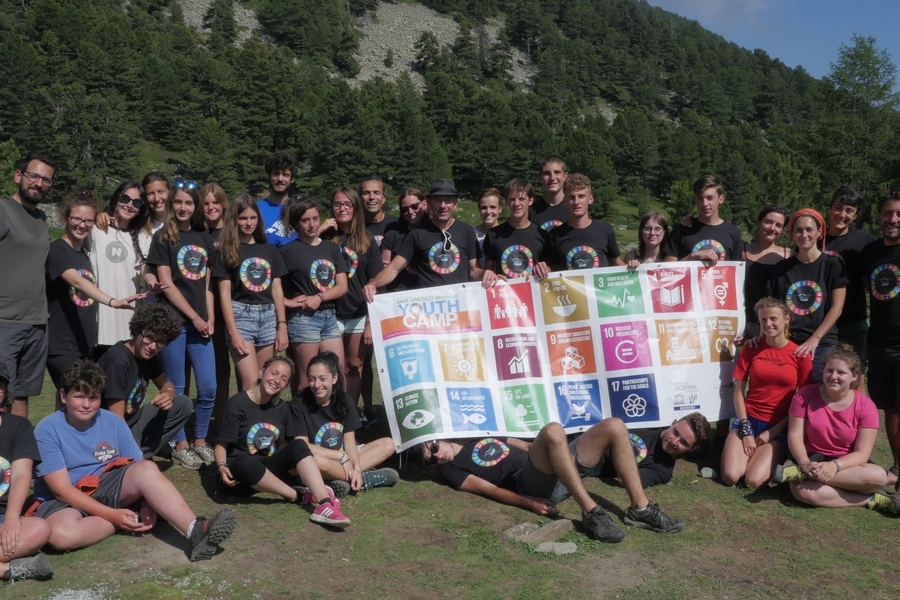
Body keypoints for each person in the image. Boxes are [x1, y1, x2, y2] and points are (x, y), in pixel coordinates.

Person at [31, 360, 237, 560]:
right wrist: (112, 516)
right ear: (63, 396)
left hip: (108, 485)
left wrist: (147, 501)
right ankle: (130, 517)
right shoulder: (47, 429)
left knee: (147, 469)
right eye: (79, 397)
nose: (86, 404)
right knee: (60, 536)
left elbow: (140, 465)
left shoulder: (112, 420)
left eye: (93, 398)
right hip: (66, 500)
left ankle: (196, 530)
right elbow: (61, 490)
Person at [420, 418, 685, 543]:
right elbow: (487, 489)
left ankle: (640, 509)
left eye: (432, 448)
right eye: (429, 460)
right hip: (529, 481)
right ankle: (591, 512)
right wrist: (529, 502)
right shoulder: (451, 469)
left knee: (615, 426)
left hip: (553, 467)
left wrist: (561, 455)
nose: (436, 456)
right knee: (552, 430)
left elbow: (524, 446)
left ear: (438, 436)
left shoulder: (476, 434)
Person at [214, 356, 350, 528]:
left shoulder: (282, 409)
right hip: (238, 476)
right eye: (274, 373)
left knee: (299, 445)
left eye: (284, 378)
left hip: (267, 468)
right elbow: (221, 445)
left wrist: (292, 463)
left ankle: (323, 503)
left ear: (286, 385)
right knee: (245, 462)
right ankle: (299, 495)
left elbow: (283, 447)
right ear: (262, 372)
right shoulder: (236, 404)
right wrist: (221, 466)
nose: (276, 380)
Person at [771, 345, 899, 514]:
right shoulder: (805, 395)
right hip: (811, 458)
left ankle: (802, 474)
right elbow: (794, 435)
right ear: (823, 370)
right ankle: (870, 499)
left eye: (841, 373)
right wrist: (804, 462)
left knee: (879, 477)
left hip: (847, 463)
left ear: (854, 376)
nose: (833, 376)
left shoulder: (866, 406)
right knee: (803, 492)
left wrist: (834, 466)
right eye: (829, 370)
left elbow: (862, 453)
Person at [147, 182, 217, 469]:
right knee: (176, 388)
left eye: (189, 202)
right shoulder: (163, 237)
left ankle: (200, 440)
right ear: (171, 204)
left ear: (196, 206)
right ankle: (180, 444)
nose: (183, 207)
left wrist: (209, 318)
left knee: (208, 386)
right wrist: (195, 318)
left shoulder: (204, 236)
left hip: (201, 324)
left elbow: (208, 284)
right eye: (178, 202)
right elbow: (166, 284)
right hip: (174, 323)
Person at [46, 192, 145, 396]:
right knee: (84, 392)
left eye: (88, 220)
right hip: (61, 344)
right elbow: (76, 281)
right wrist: (113, 302)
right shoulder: (57, 250)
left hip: (84, 345)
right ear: (66, 218)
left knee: (71, 402)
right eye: (77, 219)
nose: (82, 225)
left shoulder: (84, 253)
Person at [721, 298, 812, 488]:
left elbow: (802, 404)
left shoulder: (800, 354)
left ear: (786, 319)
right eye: (763, 320)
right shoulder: (751, 347)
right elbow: (738, 392)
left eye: (773, 319)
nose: (768, 324)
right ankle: (744, 455)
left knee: (752, 481)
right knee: (730, 476)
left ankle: (775, 457)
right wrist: (745, 429)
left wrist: (774, 431)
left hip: (777, 426)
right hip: (748, 420)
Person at [291, 352, 397, 497]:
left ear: (334, 378)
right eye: (312, 379)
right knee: (315, 460)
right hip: (320, 456)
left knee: (389, 444)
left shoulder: (345, 400)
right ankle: (365, 479)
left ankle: (349, 477)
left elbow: (349, 443)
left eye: (322, 379)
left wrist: (357, 468)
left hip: (344, 454)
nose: (317, 385)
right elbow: (302, 445)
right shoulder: (299, 403)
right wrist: (341, 457)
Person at [320, 187, 383, 425]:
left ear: (356, 208)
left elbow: (376, 284)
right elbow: (300, 251)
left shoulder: (366, 241)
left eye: (348, 204)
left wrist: (370, 323)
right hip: (330, 312)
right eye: (337, 204)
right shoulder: (324, 239)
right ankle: (331, 413)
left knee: (355, 366)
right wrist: (320, 230)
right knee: (334, 367)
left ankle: (349, 415)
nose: (342, 209)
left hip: (358, 312)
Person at [97, 304, 192, 459]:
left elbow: (166, 384)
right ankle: (130, 455)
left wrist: (168, 393)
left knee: (183, 404)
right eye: (149, 337)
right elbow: (116, 419)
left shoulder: (148, 355)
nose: (153, 346)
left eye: (161, 341)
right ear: (137, 330)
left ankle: (137, 453)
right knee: (133, 461)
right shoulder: (118, 361)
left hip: (134, 420)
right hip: (110, 428)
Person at [214, 195, 288, 392]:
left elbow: (277, 289)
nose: (248, 223)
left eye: (253, 218)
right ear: (235, 220)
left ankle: (261, 422)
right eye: (243, 218)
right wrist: (233, 332)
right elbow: (224, 295)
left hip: (268, 317)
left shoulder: (270, 250)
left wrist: (282, 326)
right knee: (250, 383)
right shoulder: (228, 251)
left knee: (265, 383)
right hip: (241, 317)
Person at [363, 179, 482, 300]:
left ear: (455, 204)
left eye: (448, 201)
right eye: (437, 200)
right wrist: (374, 283)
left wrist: (487, 275)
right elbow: (394, 268)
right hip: (429, 305)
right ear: (429, 203)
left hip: (460, 302)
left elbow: (474, 270)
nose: (442, 206)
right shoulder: (417, 234)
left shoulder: (466, 231)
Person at [0, 152, 54, 418]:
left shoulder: (41, 218)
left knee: (22, 393)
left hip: (36, 322)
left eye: (46, 180)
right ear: (19, 176)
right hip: (5, 320)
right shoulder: (3, 210)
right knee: (1, 393)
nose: (39, 183)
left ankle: (18, 451)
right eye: (34, 176)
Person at [765, 208, 846, 382]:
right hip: (788, 340)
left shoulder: (832, 265)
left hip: (822, 341)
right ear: (792, 234)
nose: (804, 235)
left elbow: (836, 307)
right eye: (798, 230)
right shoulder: (781, 269)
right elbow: (772, 308)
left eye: (809, 229)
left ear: (819, 232)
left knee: (817, 388)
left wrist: (814, 340)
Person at [279, 196, 348, 392]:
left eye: (315, 218)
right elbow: (273, 288)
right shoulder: (287, 251)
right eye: (305, 220)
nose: (311, 224)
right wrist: (288, 302)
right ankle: (303, 421)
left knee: (336, 377)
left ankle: (334, 421)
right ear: (296, 223)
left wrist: (319, 297)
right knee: (307, 380)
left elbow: (342, 286)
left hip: (329, 318)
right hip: (303, 320)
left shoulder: (331, 248)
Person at [861, 188, 900, 490]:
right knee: (886, 407)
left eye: (899, 214)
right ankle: (898, 469)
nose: (893, 219)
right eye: (888, 213)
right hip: (877, 343)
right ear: (879, 216)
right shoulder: (871, 252)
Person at [0, 363, 54, 582]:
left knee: (39, 529)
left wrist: (12, 518)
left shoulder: (19, 426)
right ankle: (9, 570)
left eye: (0, 385)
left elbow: (22, 474)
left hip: (3, 516)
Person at [90, 182, 153, 359]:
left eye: (137, 203)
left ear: (141, 209)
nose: (129, 205)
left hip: (127, 318)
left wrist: (152, 281)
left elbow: (144, 267)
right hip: (99, 317)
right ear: (116, 199)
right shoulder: (95, 229)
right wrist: (97, 216)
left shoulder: (143, 237)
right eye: (125, 198)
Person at [825, 185, 874, 382]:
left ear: (855, 215)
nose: (842, 214)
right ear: (830, 207)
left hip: (853, 320)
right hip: (821, 323)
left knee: (855, 378)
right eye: (838, 207)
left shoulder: (865, 241)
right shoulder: (813, 237)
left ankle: (858, 414)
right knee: (823, 378)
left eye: (849, 211)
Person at [603, 413, 710, 488]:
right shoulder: (649, 420)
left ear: (692, 449)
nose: (674, 442)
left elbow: (625, 480)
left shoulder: (663, 471)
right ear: (673, 423)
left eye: (683, 443)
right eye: (675, 433)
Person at [481, 178, 550, 287]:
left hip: (534, 295)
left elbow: (551, 269)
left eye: (522, 199)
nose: (516, 204)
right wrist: (493, 276)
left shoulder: (542, 235)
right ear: (507, 202)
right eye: (512, 199)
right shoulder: (493, 235)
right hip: (505, 297)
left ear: (531, 200)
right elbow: (488, 271)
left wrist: (544, 270)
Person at [547, 173, 624, 271]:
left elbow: (615, 260)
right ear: (564, 201)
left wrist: (635, 273)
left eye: (581, 196)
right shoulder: (555, 235)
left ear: (590, 199)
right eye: (571, 197)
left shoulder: (605, 230)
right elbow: (551, 268)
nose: (576, 202)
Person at [664, 174, 743, 265]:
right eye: (700, 198)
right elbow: (667, 271)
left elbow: (736, 272)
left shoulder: (733, 232)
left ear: (721, 199)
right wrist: (692, 257)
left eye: (710, 198)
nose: (705, 203)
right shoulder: (682, 230)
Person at [741, 206, 791, 338]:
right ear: (758, 222)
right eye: (768, 222)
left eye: (778, 225)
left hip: (775, 328)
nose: (772, 228)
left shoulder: (789, 256)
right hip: (743, 325)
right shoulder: (740, 252)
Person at [380, 188, 427, 290]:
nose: (410, 212)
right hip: (400, 293)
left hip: (428, 292)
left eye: (414, 206)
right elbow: (385, 265)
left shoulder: (436, 232)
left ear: (424, 204)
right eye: (405, 209)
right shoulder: (392, 235)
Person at [258, 151, 298, 246]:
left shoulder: (298, 209)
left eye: (285, 175)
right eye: (276, 173)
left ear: (292, 179)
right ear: (269, 176)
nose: (280, 179)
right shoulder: (256, 209)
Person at [531, 155, 569, 232]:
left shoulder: (574, 208)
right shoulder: (531, 211)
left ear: (565, 176)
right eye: (546, 173)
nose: (552, 178)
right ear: (540, 178)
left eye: (557, 172)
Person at [360, 177, 398, 247]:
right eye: (366, 193)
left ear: (383, 199)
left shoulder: (397, 225)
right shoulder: (354, 226)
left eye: (376, 193)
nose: (371, 197)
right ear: (360, 199)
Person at [474, 188, 502, 266]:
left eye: (492, 207)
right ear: (479, 209)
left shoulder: (507, 235)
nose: (488, 211)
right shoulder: (470, 233)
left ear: (500, 209)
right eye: (484, 208)